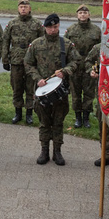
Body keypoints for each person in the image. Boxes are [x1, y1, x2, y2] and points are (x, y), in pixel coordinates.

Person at [25, 13, 82, 166]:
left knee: (58, 122)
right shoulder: (36, 44)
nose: (52, 30)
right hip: (42, 90)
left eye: (55, 27)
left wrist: (65, 71)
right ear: (45, 27)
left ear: (58, 26)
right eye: (50, 27)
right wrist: (38, 79)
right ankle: (44, 151)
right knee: (44, 122)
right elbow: (28, 64)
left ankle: (57, 151)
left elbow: (76, 61)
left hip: (60, 92)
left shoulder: (66, 44)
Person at [2, 0, 45, 125]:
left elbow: (43, 42)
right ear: (18, 9)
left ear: (30, 8)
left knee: (30, 88)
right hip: (16, 61)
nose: (23, 9)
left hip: (32, 62)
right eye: (21, 7)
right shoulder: (12, 23)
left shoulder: (37, 24)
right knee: (17, 87)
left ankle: (29, 113)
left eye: (26, 7)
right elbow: (5, 41)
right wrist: (5, 59)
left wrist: (41, 61)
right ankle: (18, 112)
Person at [64, 4, 101, 129]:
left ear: (89, 15)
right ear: (77, 15)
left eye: (85, 13)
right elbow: (65, 48)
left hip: (90, 65)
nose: (83, 15)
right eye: (80, 13)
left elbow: (101, 49)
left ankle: (86, 117)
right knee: (75, 93)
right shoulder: (71, 30)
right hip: (75, 65)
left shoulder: (96, 30)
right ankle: (78, 117)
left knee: (89, 93)